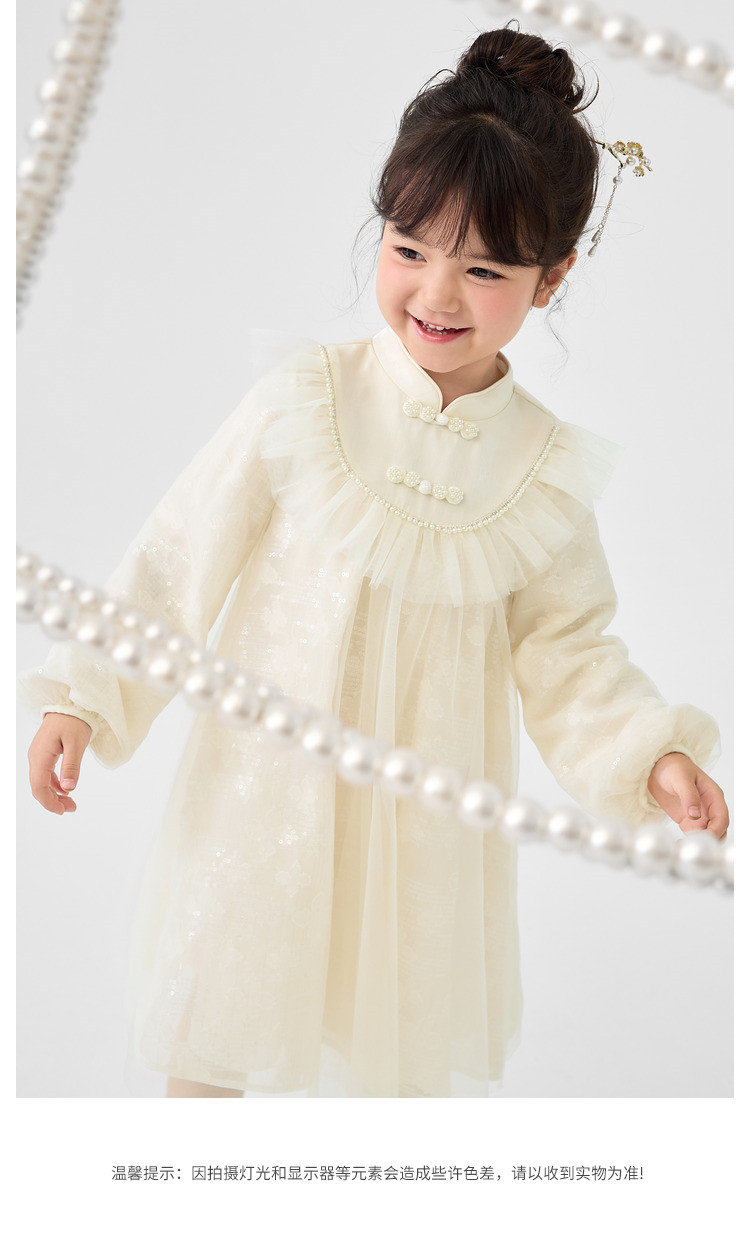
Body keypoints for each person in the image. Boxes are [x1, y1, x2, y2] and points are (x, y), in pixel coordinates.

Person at [20, 25, 729, 1098]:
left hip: (423, 825)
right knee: (218, 1020)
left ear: (551, 277)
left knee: (393, 1049)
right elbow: (180, 553)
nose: (436, 295)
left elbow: (570, 648)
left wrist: (649, 754)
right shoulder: (308, 400)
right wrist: (85, 695)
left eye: (484, 268)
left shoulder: (538, 471)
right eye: (409, 248)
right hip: (266, 790)